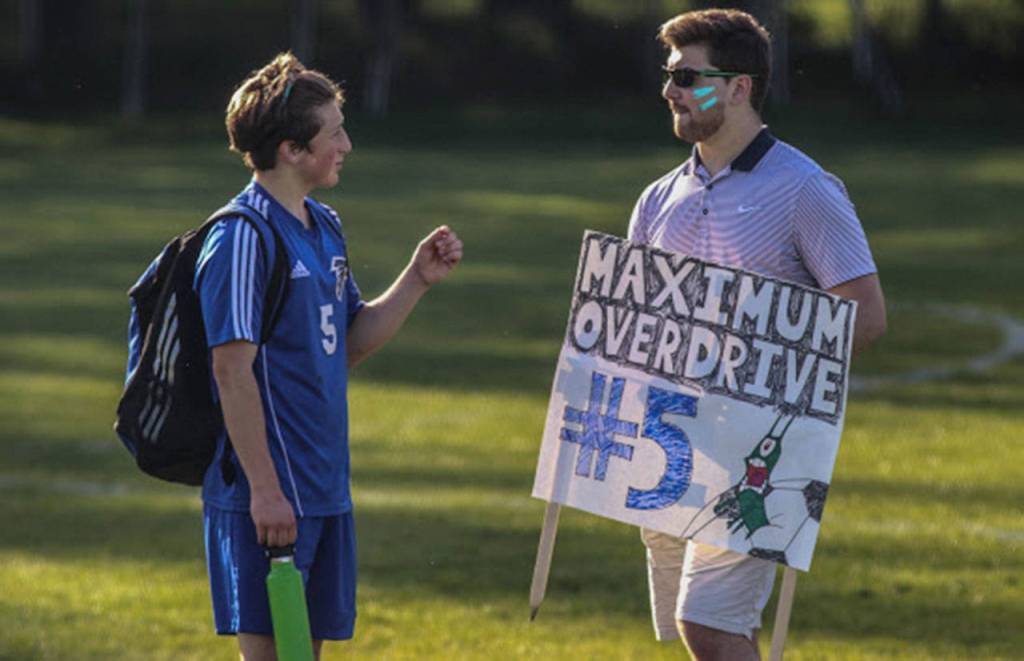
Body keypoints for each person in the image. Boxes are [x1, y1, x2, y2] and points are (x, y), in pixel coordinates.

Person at [627, 9, 886, 660]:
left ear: (739, 87)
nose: (670, 91)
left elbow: (865, 312)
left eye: (688, 76)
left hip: (761, 449)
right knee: (706, 633)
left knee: (708, 625)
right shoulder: (657, 199)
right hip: (672, 443)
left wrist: (764, 385)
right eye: (668, 75)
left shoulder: (805, 189)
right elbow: (630, 323)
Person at [194, 52, 463, 660]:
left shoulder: (324, 225)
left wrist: (416, 280)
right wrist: (265, 491)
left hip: (323, 490)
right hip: (268, 496)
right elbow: (230, 371)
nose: (346, 143)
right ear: (291, 149)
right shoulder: (241, 236)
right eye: (333, 131)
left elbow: (346, 346)